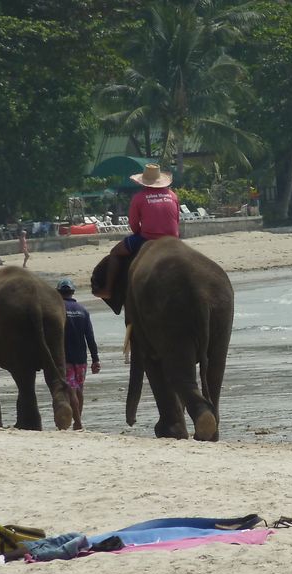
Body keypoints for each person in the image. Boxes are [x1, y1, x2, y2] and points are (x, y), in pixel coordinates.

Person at [95, 164, 179, 300]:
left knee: (115, 252)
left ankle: (108, 290)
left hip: (148, 238)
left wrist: (140, 233)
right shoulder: (173, 195)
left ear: (143, 181)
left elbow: (133, 224)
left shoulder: (139, 197)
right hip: (173, 240)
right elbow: (177, 220)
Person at [57, 278, 101, 430]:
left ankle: (78, 422)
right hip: (81, 358)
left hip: (65, 357)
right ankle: (78, 420)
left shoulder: (58, 309)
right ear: (73, 292)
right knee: (79, 389)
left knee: (71, 389)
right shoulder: (83, 310)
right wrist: (95, 359)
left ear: (58, 292)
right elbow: (90, 337)